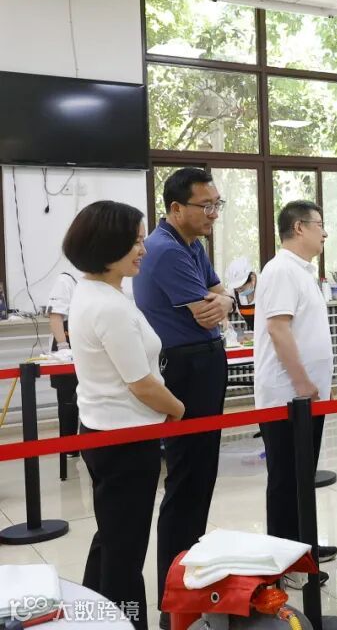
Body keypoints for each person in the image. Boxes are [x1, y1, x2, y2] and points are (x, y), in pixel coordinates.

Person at [63, 201, 185, 630]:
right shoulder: (109, 306)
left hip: (104, 432)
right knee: (125, 550)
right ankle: (125, 622)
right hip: (125, 439)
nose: (143, 250)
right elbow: (141, 383)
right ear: (107, 245)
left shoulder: (95, 292)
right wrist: (178, 409)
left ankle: (90, 615)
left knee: (112, 536)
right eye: (135, 241)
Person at [132, 167, 235, 627]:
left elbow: (220, 298)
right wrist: (221, 304)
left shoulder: (193, 244)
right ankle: (174, 600)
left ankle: (190, 584)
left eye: (217, 204)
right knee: (186, 480)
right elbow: (205, 313)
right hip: (185, 367)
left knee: (200, 478)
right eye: (206, 205)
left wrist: (224, 301)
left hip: (204, 363)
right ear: (176, 208)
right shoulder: (165, 249)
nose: (214, 213)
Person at [254, 201, 337, 590]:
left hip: (306, 398)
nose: (325, 233)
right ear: (300, 227)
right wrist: (302, 382)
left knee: (302, 476)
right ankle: (284, 561)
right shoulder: (281, 270)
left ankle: (303, 547)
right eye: (320, 225)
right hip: (287, 396)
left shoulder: (302, 271)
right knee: (286, 480)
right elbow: (278, 329)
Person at [47, 271, 80, 454]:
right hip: (66, 346)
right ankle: (69, 448)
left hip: (84, 344)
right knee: (68, 401)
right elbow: (55, 316)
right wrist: (63, 347)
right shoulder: (66, 279)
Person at [226, 257, 257, 332]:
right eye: (236, 289)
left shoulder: (265, 288)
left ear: (252, 278)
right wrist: (225, 321)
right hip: (254, 333)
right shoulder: (233, 292)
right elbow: (224, 306)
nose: (239, 292)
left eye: (241, 289)